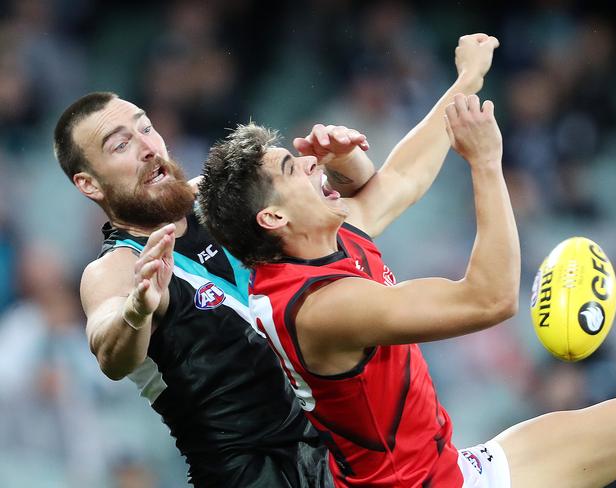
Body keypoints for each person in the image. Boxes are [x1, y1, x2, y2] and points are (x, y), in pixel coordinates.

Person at [198, 92, 616, 487]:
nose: (312, 160)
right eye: (292, 168)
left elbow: (403, 178)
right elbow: (490, 298)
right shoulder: (322, 308)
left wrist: (466, 81)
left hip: (446, 469)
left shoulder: (317, 240)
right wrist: (487, 162)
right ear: (274, 218)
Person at [53, 92, 375, 487]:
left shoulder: (220, 197)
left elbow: (353, 194)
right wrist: (136, 311)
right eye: (121, 145)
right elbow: (110, 354)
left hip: (340, 444)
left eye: (146, 128)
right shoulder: (116, 268)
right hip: (251, 474)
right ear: (89, 183)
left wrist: (346, 157)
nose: (148, 148)